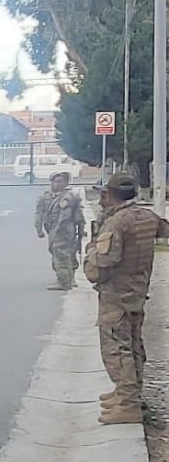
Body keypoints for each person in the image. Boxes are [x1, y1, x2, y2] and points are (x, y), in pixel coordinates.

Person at [85, 173, 169, 425]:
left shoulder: (117, 222)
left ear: (110, 195)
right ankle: (126, 395)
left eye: (103, 194)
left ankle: (128, 404)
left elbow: (106, 259)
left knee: (116, 348)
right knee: (132, 345)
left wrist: (90, 255)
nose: (101, 199)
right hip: (137, 291)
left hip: (116, 295)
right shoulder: (147, 216)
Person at [35, 171, 84, 291]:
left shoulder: (68, 197)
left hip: (63, 230)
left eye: (60, 181)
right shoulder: (46, 196)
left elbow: (66, 216)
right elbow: (39, 212)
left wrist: (59, 231)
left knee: (62, 254)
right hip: (52, 229)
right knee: (60, 253)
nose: (56, 184)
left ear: (66, 183)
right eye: (54, 181)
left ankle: (64, 281)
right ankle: (67, 279)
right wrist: (39, 228)